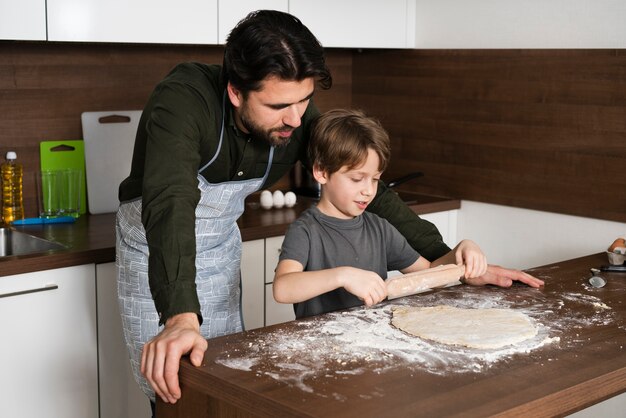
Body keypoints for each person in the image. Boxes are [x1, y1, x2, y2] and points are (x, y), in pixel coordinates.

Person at [115, 9, 543, 409]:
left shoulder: (296, 113)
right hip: (156, 253)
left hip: (220, 250)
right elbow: (170, 202)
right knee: (176, 395)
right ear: (235, 91)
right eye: (280, 107)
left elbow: (372, 190)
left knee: (223, 388)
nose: (297, 119)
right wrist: (179, 317)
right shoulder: (183, 100)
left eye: (304, 101)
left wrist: (449, 260)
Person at [273, 109, 507, 318]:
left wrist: (460, 253)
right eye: (357, 179)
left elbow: (427, 274)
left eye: (375, 180)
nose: (368, 190)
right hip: (321, 352)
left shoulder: (379, 228)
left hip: (373, 345)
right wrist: (342, 276)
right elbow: (283, 288)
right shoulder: (306, 230)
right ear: (322, 172)